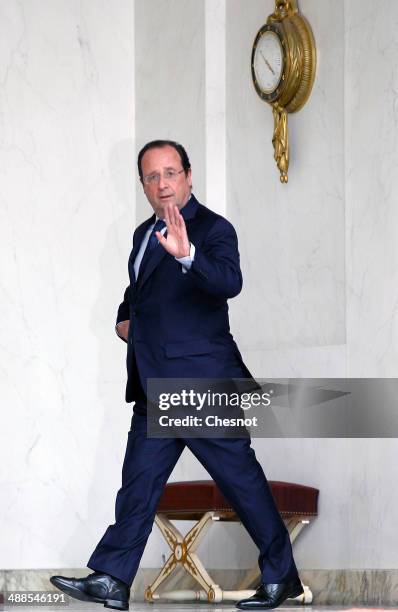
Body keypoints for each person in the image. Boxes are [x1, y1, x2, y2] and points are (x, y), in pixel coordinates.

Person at [50, 140, 303, 610]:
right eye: (151, 176)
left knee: (242, 485)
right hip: (154, 383)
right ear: (143, 184)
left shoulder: (213, 229)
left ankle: (282, 576)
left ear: (188, 175)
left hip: (202, 383)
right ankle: (111, 577)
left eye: (170, 173)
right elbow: (139, 292)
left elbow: (229, 282)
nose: (162, 183)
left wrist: (188, 255)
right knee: (138, 484)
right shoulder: (142, 234)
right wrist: (125, 319)